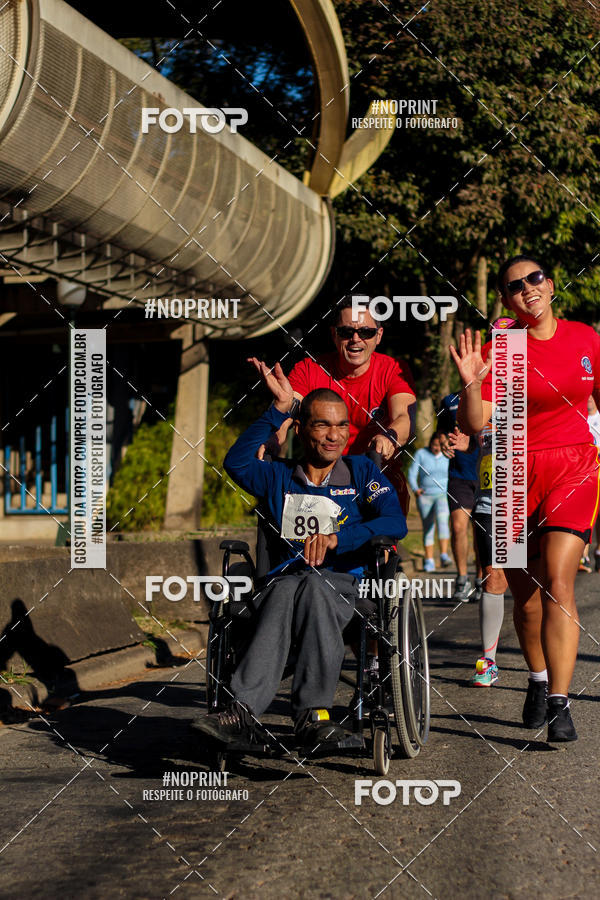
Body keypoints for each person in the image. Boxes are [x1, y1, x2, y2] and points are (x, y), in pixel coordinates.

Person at [192, 366, 407, 751]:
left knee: (314, 583)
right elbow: (236, 464)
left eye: (341, 426)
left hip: (344, 585)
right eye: (323, 425)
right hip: (284, 583)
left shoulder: (361, 472)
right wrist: (277, 408)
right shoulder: (278, 476)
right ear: (300, 429)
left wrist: (338, 538)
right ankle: (241, 713)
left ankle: (314, 714)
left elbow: (394, 520)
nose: (335, 435)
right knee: (286, 588)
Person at [451, 254, 600, 742]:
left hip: (575, 466)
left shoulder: (585, 338)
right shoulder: (506, 346)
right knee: (526, 599)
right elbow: (474, 424)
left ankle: (559, 700)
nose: (526, 289)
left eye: (534, 279)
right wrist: (472, 382)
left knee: (559, 579)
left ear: (552, 284)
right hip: (515, 472)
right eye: (514, 286)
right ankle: (537, 679)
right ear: (506, 299)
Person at [251, 295, 416, 513]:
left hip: (376, 481)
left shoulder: (394, 369)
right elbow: (288, 410)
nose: (356, 339)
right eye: (347, 332)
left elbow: (404, 418)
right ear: (334, 334)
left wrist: (389, 437)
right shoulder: (309, 368)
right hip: (321, 486)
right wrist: (273, 438)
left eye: (366, 332)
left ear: (379, 336)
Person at [447, 319, 512, 685]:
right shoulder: (482, 383)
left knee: (540, 584)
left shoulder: (538, 381)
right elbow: (473, 431)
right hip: (493, 496)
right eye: (497, 342)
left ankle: (546, 669)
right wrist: (463, 443)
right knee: (493, 577)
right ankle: (488, 660)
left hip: (531, 493)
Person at [437, 393, 483, 601]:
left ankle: (481, 578)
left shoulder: (492, 395)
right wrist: (444, 442)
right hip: (458, 476)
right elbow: (441, 431)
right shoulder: (449, 401)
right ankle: (462, 578)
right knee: (458, 527)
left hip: (485, 474)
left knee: (480, 531)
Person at [407, 432, 451, 572]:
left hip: (442, 494)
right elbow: (412, 473)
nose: (436, 448)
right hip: (425, 495)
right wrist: (415, 489)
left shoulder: (447, 455)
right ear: (430, 444)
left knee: (443, 522)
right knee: (428, 527)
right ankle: (429, 560)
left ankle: (444, 555)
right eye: (434, 445)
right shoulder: (421, 453)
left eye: (439, 446)